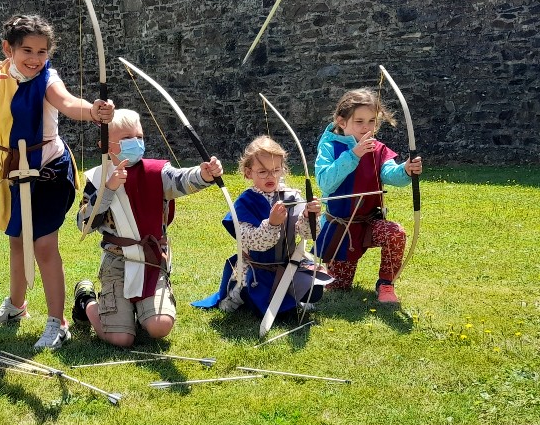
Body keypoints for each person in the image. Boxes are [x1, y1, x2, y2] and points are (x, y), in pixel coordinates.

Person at [0, 14, 114, 351]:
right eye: (27, 50)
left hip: (48, 172)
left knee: (44, 247)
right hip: (12, 172)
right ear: (9, 49)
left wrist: (93, 111)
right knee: (17, 241)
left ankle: (57, 323)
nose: (35, 59)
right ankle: (17, 306)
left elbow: (65, 101)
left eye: (42, 51)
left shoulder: (48, 77)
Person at [70, 109, 223, 347]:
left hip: (151, 261)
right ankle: (87, 301)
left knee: (159, 326)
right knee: (120, 339)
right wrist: (107, 189)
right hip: (116, 262)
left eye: (139, 137)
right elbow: (84, 224)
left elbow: (181, 180)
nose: (136, 143)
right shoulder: (98, 178)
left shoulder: (156, 172)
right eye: (127, 139)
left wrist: (203, 174)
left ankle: (138, 310)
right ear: (106, 145)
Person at [193, 136, 328, 322]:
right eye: (262, 171)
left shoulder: (292, 196)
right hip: (257, 270)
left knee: (315, 289)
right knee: (262, 305)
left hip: (289, 265)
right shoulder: (245, 202)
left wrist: (309, 216)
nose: (271, 176)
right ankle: (239, 292)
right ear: (249, 173)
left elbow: (309, 234)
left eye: (276, 170)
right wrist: (271, 223)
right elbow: (252, 241)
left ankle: (290, 292)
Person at [314, 87, 423, 306]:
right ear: (341, 121)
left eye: (372, 122)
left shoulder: (378, 149)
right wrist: (353, 155)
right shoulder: (329, 147)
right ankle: (319, 271)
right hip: (341, 227)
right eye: (359, 122)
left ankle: (386, 284)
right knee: (338, 286)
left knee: (395, 233)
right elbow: (325, 181)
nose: (366, 128)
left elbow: (391, 174)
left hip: (370, 222)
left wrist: (406, 170)